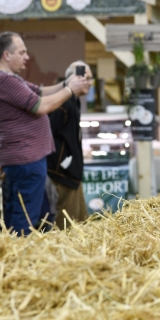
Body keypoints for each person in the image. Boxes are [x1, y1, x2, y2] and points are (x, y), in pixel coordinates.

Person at [0, 31, 87, 236]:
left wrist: (68, 83)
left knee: (24, 213)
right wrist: (70, 91)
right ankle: (20, 258)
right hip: (26, 160)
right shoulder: (3, 81)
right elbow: (40, 105)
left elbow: (40, 91)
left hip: (25, 159)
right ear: (7, 55)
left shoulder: (9, 79)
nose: (27, 57)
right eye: (22, 52)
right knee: (25, 217)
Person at [47, 61, 92, 230]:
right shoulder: (65, 103)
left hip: (71, 173)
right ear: (72, 79)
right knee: (68, 224)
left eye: (90, 78)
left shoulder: (73, 102)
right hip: (64, 174)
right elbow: (49, 134)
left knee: (80, 221)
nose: (88, 82)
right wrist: (65, 163)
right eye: (84, 77)